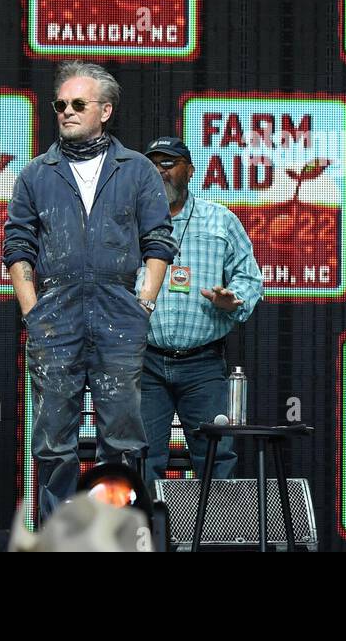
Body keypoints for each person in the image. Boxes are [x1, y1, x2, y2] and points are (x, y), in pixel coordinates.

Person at [3, 62, 176, 523]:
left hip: (120, 313)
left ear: (106, 110)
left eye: (78, 104)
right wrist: (32, 311)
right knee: (52, 440)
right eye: (60, 104)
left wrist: (145, 302)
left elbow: (159, 239)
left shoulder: (137, 169)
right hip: (54, 315)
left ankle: (116, 533)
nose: (66, 111)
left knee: (121, 438)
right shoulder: (37, 173)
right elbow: (17, 245)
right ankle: (60, 537)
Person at [138, 136, 264, 483]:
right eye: (152, 164)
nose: (159, 171)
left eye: (168, 163)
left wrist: (232, 299)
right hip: (145, 360)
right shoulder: (131, 220)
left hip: (203, 364)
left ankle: (215, 536)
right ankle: (146, 536)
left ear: (190, 171)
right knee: (141, 457)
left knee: (215, 456)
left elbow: (249, 278)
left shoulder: (219, 220)